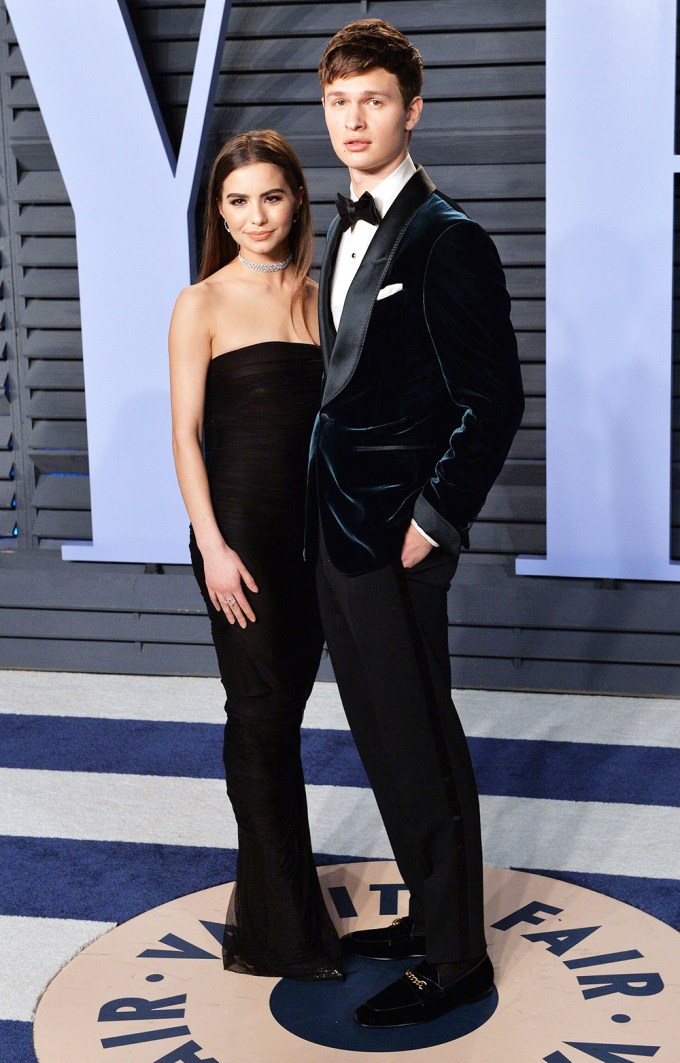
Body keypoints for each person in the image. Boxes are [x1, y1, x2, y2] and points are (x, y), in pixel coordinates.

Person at [308, 20, 525, 1025]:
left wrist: (430, 522)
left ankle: (457, 963)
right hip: (336, 535)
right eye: (339, 102)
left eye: (374, 101)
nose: (354, 120)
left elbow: (493, 401)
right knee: (383, 741)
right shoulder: (335, 224)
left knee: (420, 741)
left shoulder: (449, 238)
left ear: (412, 110)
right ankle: (429, 914)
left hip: (396, 543)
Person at [169, 130, 342, 981]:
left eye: (270, 196)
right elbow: (187, 438)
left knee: (283, 717)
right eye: (237, 201)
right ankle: (282, 929)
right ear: (219, 212)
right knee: (260, 716)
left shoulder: (319, 299)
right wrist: (213, 547)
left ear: (296, 201)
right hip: (237, 536)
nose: (254, 215)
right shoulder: (199, 302)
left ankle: (271, 900)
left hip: (311, 537)